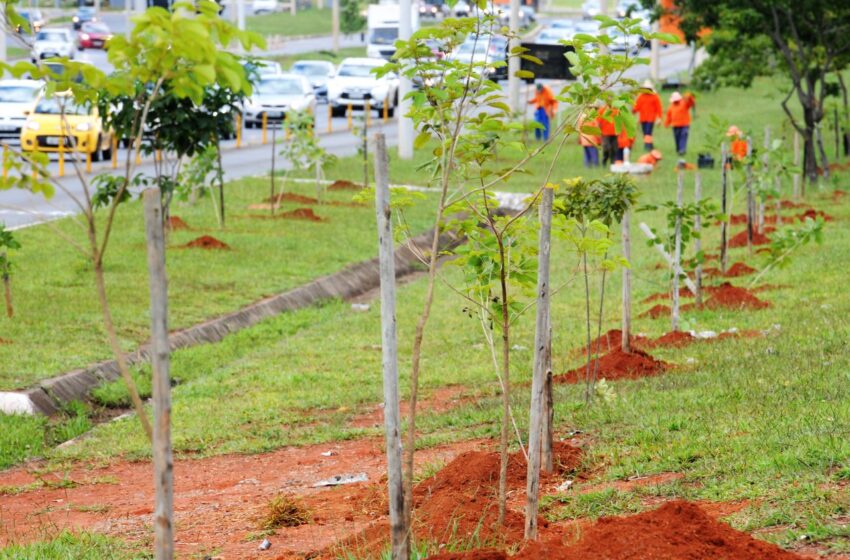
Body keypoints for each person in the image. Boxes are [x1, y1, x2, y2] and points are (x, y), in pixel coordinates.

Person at [633, 80, 663, 151]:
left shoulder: (655, 96)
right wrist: (633, 111)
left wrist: (659, 118)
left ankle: (647, 147)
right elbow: (637, 106)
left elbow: (659, 108)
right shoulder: (641, 97)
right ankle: (650, 146)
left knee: (648, 132)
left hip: (651, 118)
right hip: (643, 118)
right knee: (645, 133)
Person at [664, 91, 692, 156]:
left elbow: (690, 103)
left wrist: (689, 97)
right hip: (675, 125)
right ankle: (679, 150)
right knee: (677, 138)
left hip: (684, 125)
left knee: (683, 136)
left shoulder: (684, 103)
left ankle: (682, 150)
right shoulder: (671, 107)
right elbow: (669, 116)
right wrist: (666, 124)